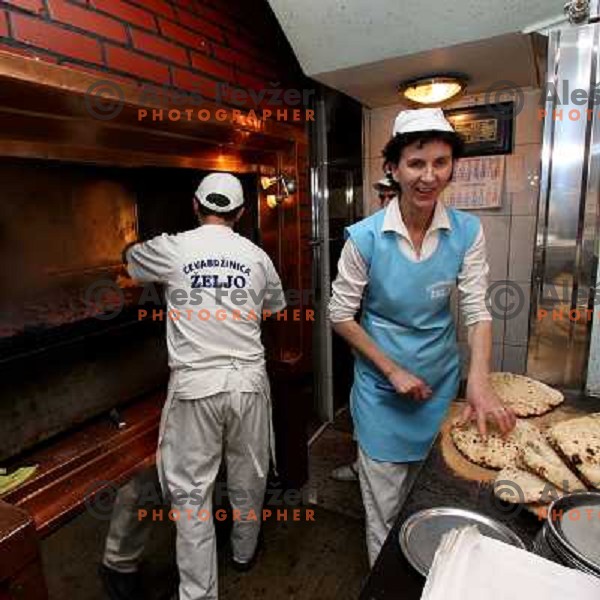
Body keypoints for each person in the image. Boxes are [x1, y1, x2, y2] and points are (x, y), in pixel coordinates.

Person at [328, 108, 516, 567]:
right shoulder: (366, 238)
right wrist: (392, 370)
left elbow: (476, 308)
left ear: (453, 166)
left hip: (438, 388)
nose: (428, 176)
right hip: (382, 393)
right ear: (392, 168)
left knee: (433, 495)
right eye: (416, 163)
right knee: (386, 513)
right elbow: (339, 315)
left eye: (440, 162)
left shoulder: (466, 231)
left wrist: (479, 380)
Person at [107, 172, 286, 600]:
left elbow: (129, 259)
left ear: (195, 205)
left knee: (191, 494)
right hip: (247, 384)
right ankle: (244, 553)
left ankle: (199, 594)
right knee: (249, 474)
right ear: (241, 214)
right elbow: (275, 307)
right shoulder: (257, 256)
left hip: (195, 388)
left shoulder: (174, 247)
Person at [330, 175, 400, 484]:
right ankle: (363, 465)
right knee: (364, 407)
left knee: (398, 416)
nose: (384, 203)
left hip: (406, 350)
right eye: (382, 196)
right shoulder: (367, 237)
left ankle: (396, 473)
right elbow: (346, 304)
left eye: (391, 196)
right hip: (369, 340)